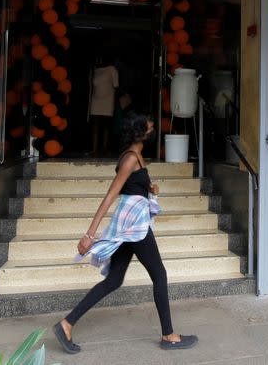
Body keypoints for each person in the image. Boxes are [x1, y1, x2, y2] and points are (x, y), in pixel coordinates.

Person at [53, 113, 198, 354]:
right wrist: (89, 234)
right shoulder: (130, 159)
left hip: (131, 225)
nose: (153, 131)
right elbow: (111, 194)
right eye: (150, 129)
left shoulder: (138, 157)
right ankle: (169, 335)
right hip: (134, 227)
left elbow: (133, 187)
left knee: (114, 280)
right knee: (159, 274)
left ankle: (66, 324)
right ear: (140, 134)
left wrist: (149, 188)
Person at [89, 55, 119, 156]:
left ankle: (104, 149)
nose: (98, 60)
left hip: (107, 100)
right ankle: (94, 149)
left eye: (100, 57)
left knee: (106, 126)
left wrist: (115, 103)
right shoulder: (95, 70)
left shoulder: (111, 69)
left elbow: (116, 85)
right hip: (95, 101)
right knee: (95, 126)